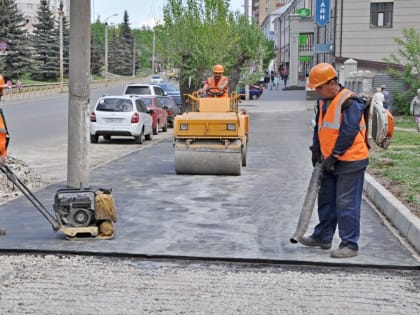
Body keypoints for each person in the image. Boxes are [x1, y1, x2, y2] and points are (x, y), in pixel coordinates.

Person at [302, 63, 369, 259]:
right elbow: (320, 127)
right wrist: (316, 149)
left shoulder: (351, 102)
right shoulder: (323, 101)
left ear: (332, 83)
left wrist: (335, 155)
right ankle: (323, 236)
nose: (317, 91)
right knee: (327, 200)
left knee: (346, 202)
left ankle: (350, 244)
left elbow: (348, 131)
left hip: (351, 160)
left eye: (319, 87)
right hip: (330, 160)